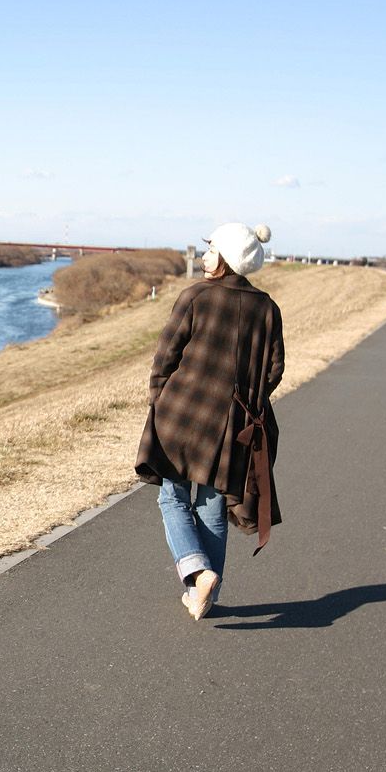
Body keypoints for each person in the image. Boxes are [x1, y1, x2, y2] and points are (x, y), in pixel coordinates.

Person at [134, 222, 285, 620]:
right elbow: (274, 371)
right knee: (212, 507)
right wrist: (246, 401)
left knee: (172, 496)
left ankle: (198, 574)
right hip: (233, 428)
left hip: (182, 414)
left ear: (228, 258)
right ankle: (205, 595)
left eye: (211, 249)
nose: (205, 256)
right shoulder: (267, 308)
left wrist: (159, 399)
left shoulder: (195, 296)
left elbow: (166, 355)